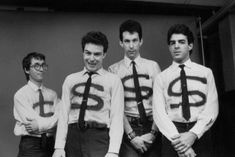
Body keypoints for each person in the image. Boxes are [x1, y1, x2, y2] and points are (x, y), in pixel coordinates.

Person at [53, 31, 124, 157]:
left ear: (104, 55)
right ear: (83, 53)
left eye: (97, 54)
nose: (92, 58)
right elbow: (63, 115)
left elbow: (117, 117)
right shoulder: (70, 79)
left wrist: (113, 151)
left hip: (99, 138)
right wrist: (59, 147)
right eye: (88, 53)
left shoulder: (113, 80)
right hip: (73, 137)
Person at [152, 24, 219, 157]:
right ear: (169, 47)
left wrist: (193, 134)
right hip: (172, 136)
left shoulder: (206, 73)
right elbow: (159, 114)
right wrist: (180, 143)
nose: (176, 46)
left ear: (190, 45)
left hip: (201, 133)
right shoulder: (161, 78)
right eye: (172, 43)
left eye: (181, 42)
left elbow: (212, 108)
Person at [108, 19, 161, 157]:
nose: (131, 46)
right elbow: (116, 107)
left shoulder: (153, 66)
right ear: (121, 43)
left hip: (153, 126)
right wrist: (132, 136)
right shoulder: (113, 70)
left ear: (141, 41)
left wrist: (153, 133)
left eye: (135, 40)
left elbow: (160, 102)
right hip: (128, 130)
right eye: (127, 41)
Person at [13, 52, 59, 157]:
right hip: (31, 145)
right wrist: (53, 122)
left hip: (51, 143)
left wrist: (40, 125)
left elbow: (61, 117)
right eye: (37, 66)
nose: (41, 69)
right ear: (27, 70)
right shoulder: (20, 95)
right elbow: (32, 124)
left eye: (43, 65)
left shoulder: (52, 94)